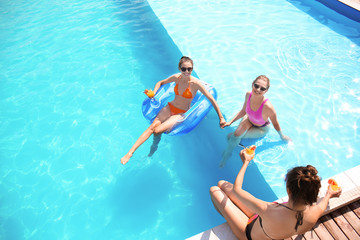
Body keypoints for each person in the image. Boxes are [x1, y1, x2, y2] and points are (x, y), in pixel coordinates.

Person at [210, 149, 342, 240]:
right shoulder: (313, 214)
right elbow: (322, 205)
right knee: (223, 184)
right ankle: (232, 214)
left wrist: (246, 162)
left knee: (214, 190)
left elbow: (238, 190)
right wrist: (329, 194)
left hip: (248, 233)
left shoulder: (268, 209)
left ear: (289, 190)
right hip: (265, 225)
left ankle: (231, 221)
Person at [121, 56, 226, 165]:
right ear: (180, 68)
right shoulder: (176, 78)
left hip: (180, 113)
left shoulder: (196, 84)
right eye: (184, 69)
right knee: (152, 127)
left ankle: (152, 150)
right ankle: (130, 153)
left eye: (189, 69)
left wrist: (221, 118)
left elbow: (211, 99)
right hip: (170, 107)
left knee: (157, 131)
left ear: (192, 69)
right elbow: (160, 82)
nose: (187, 71)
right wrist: (153, 95)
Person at [220, 75, 291, 167]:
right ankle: (226, 156)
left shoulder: (268, 107)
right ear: (252, 84)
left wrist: (282, 136)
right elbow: (243, 111)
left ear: (266, 90)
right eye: (256, 86)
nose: (258, 90)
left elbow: (275, 123)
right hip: (249, 119)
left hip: (261, 128)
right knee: (233, 137)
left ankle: (232, 153)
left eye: (262, 88)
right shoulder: (248, 95)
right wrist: (230, 122)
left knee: (231, 136)